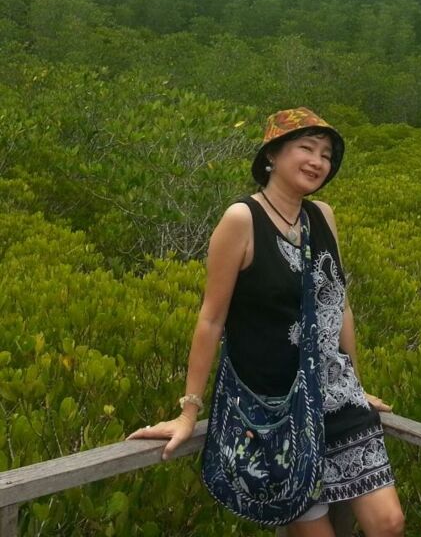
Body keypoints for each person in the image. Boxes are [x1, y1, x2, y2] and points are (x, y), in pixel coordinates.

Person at [128, 107, 405, 536]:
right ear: (272, 154)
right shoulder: (241, 219)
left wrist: (356, 383)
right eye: (306, 148)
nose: (317, 161)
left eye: (326, 154)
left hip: (337, 398)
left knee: (389, 523)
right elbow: (211, 319)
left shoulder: (322, 216)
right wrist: (188, 411)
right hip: (274, 413)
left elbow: (338, 307)